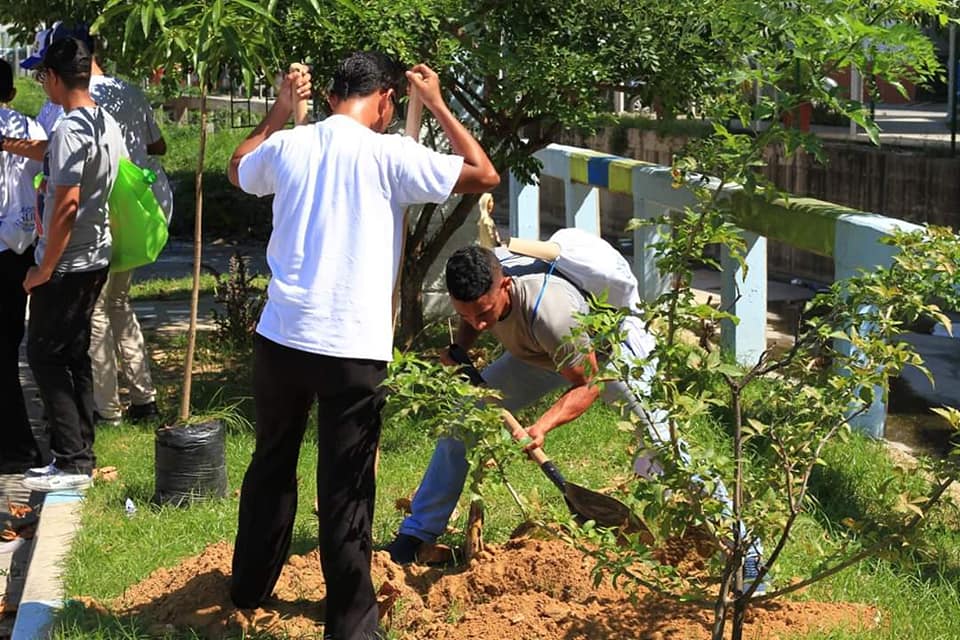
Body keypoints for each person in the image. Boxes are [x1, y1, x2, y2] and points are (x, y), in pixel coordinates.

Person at [227, 52, 499, 639]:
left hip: (282, 338)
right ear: (384, 102)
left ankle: (248, 588)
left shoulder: (290, 144)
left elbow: (237, 167)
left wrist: (279, 110)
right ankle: (351, 624)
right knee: (346, 486)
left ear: (330, 98)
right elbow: (484, 174)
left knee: (272, 462)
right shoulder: (391, 155)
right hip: (351, 347)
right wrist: (438, 105)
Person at [384, 245, 766, 593]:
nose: (479, 324)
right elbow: (474, 316)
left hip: (609, 357)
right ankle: (417, 536)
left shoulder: (553, 313)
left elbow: (590, 383)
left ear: (506, 285)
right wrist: (460, 349)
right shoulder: (483, 291)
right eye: (466, 314)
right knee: (462, 423)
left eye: (485, 314)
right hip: (537, 355)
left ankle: (745, 549)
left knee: (661, 446)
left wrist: (541, 427)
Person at [20, 22, 171, 425]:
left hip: (86, 226)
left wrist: (45, 267)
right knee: (119, 303)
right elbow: (158, 144)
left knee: (96, 314)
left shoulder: (67, 109)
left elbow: (56, 165)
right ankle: (144, 398)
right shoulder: (127, 93)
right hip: (130, 217)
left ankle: (107, 408)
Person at [7, 37, 125, 492]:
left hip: (67, 263)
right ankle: (78, 455)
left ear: (55, 78)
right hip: (94, 256)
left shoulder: (71, 129)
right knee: (73, 355)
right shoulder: (102, 121)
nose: (42, 84)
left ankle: (72, 462)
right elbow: (59, 160)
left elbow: (67, 207)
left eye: (42, 76)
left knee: (44, 355)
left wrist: (42, 269)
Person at [0, 60, 48, 474]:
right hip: (18, 251)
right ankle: (17, 448)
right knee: (8, 348)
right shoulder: (30, 128)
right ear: (12, 93)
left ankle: (17, 448)